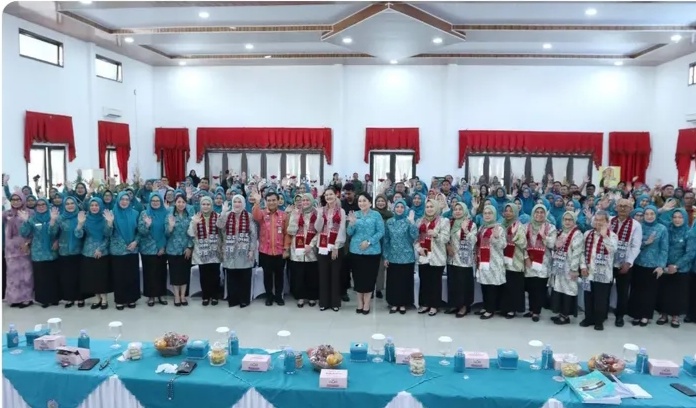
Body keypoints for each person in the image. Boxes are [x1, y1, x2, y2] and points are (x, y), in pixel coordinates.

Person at [627, 205, 668, 327]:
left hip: (653, 266)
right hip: (638, 263)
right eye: (647, 214)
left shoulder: (662, 229)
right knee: (637, 290)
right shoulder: (639, 227)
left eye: (652, 214)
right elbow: (633, 245)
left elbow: (664, 249)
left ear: (656, 215)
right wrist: (646, 242)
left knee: (649, 292)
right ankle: (635, 314)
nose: (649, 216)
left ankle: (645, 316)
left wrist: (661, 266)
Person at [346, 192, 384, 315]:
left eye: (364, 201)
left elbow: (381, 231)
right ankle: (359, 303)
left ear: (370, 202)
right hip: (356, 251)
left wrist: (369, 242)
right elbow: (349, 233)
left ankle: (367, 303)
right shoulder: (355, 214)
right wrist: (351, 224)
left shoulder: (376, 215)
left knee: (369, 278)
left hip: (372, 252)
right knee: (358, 278)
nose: (362, 203)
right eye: (360, 201)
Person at [580, 210, 618, 331]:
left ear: (607, 222)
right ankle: (588, 318)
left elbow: (613, 250)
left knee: (600, 298)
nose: (598, 222)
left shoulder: (612, 236)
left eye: (601, 220)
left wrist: (604, 236)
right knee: (588, 296)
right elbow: (582, 252)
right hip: (588, 271)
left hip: (603, 273)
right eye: (596, 220)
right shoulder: (587, 234)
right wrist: (583, 266)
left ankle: (599, 321)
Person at [657, 208, 694, 328]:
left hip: (681, 269)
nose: (677, 220)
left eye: (680, 217)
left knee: (677, 294)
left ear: (685, 218)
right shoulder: (668, 229)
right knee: (664, 292)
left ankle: (675, 316)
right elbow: (655, 219)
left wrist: (677, 266)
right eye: (675, 217)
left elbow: (690, 253)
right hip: (665, 266)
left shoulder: (689, 233)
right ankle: (663, 315)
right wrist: (662, 210)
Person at [218, 195, 258, 308]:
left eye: (239, 202)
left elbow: (253, 235)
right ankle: (233, 299)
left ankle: (244, 299)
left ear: (243, 204)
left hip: (244, 250)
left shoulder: (249, 216)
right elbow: (219, 226)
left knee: (244, 276)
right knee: (231, 276)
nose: (237, 204)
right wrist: (223, 212)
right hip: (230, 250)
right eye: (235, 202)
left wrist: (251, 250)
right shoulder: (226, 215)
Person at [21, 198, 60, 308]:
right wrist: (25, 221)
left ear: (47, 205)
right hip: (38, 253)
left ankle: (54, 298)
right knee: (41, 278)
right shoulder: (32, 219)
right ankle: (44, 299)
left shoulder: (53, 217)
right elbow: (24, 233)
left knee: (52, 276)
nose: (41, 206)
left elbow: (54, 233)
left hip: (51, 252)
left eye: (43, 204)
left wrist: (52, 221)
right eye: (38, 205)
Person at [609, 198, 643, 327]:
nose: (623, 208)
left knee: (622, 292)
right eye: (620, 206)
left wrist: (628, 262)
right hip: (607, 263)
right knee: (604, 290)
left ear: (631, 209)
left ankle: (620, 316)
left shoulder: (636, 225)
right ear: (616, 207)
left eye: (626, 206)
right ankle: (602, 313)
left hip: (624, 264)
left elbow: (636, 246)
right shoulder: (609, 221)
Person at [414, 198, 450, 316]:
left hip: (437, 257)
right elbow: (415, 239)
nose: (429, 209)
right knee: (424, 281)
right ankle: (425, 304)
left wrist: (436, 234)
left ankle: (434, 305)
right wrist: (419, 248)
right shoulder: (420, 221)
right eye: (427, 207)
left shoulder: (443, 221)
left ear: (436, 208)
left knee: (435, 282)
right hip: (423, 256)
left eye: (431, 207)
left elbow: (446, 238)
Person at [252, 191, 288, 306]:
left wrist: (286, 248)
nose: (271, 202)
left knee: (279, 276)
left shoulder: (283, 215)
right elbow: (255, 215)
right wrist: (257, 202)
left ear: (278, 201)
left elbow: (286, 233)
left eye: (273, 200)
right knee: (267, 276)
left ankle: (278, 296)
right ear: (266, 202)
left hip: (279, 251)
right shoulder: (262, 214)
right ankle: (269, 296)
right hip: (265, 251)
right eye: (269, 200)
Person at [383, 199, 419, 314]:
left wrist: (412, 223)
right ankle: (394, 303)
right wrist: (386, 256)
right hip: (393, 256)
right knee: (393, 281)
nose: (399, 209)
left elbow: (415, 236)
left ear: (405, 209)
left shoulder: (408, 221)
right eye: (397, 207)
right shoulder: (389, 222)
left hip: (407, 256)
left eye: (402, 207)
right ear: (394, 208)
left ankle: (403, 304)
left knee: (405, 281)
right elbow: (386, 240)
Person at [315, 187, 347, 311]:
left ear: (336, 195)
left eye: (331, 194)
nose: (328, 197)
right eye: (326, 195)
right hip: (322, 246)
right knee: (323, 274)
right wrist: (319, 216)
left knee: (335, 275)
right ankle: (324, 302)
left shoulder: (341, 211)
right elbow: (317, 228)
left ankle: (335, 303)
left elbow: (342, 229)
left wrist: (336, 246)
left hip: (336, 247)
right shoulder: (321, 210)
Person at [549, 211, 584, 325]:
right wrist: (556, 246)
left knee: (568, 290)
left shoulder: (577, 234)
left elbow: (577, 253)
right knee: (559, 289)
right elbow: (556, 248)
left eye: (570, 220)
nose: (567, 222)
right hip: (559, 266)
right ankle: (560, 313)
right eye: (565, 219)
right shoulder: (561, 232)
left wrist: (574, 269)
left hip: (569, 267)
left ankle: (565, 316)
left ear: (574, 221)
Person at [524, 204, 557, 322]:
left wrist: (544, 237)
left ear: (545, 214)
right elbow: (522, 244)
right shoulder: (526, 226)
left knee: (540, 287)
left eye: (542, 212)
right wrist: (526, 258)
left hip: (543, 262)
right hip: (529, 261)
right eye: (537, 212)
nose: (539, 214)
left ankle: (536, 311)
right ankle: (531, 309)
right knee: (531, 287)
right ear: (533, 213)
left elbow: (553, 244)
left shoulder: (551, 227)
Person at [77, 197, 112, 310]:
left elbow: (108, 235)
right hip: (88, 252)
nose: (94, 207)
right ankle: (97, 298)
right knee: (92, 277)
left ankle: (104, 298)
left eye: (96, 205)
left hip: (102, 252)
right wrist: (80, 224)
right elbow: (78, 235)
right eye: (92, 205)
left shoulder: (105, 218)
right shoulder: (85, 218)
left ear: (100, 206)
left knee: (102, 276)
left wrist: (109, 223)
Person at [287, 193, 320, 308]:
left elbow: (320, 231)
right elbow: (290, 231)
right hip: (297, 248)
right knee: (298, 274)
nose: (305, 202)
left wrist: (311, 245)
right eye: (303, 200)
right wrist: (296, 218)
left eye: (307, 200)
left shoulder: (317, 213)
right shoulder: (295, 213)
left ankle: (312, 297)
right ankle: (300, 297)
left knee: (312, 274)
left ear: (312, 201)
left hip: (312, 249)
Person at [109, 192, 141, 310]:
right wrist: (109, 223)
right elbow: (107, 233)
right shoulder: (112, 213)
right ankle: (120, 300)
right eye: (122, 199)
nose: (124, 201)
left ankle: (132, 298)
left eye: (127, 199)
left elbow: (139, 231)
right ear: (118, 200)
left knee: (132, 275)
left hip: (132, 248)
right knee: (119, 276)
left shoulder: (135, 213)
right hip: (118, 250)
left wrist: (135, 242)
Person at [188, 196, 222, 306]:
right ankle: (206, 296)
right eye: (203, 204)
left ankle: (215, 296)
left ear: (211, 205)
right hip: (201, 250)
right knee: (204, 274)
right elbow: (191, 234)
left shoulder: (218, 216)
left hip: (215, 250)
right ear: (200, 205)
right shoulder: (195, 217)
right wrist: (194, 224)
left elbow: (222, 231)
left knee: (215, 274)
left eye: (208, 204)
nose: (205, 206)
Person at [445, 202, 478, 317]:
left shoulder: (471, 224)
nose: (457, 211)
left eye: (460, 209)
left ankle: (464, 306)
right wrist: (447, 246)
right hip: (452, 258)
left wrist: (466, 230)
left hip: (464, 260)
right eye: (455, 209)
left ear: (464, 211)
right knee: (453, 283)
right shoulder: (450, 223)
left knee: (463, 284)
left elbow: (474, 240)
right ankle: (455, 304)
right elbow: (446, 237)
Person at [476, 205, 507, 320]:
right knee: (484, 285)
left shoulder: (499, 228)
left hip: (494, 262)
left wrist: (496, 237)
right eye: (485, 213)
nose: (487, 215)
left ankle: (490, 310)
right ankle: (486, 306)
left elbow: (503, 245)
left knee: (491, 287)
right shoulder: (482, 228)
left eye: (490, 213)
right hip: (483, 261)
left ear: (494, 215)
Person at [138, 193, 169, 307]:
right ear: (150, 202)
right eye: (153, 201)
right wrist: (147, 225)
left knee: (161, 272)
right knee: (149, 273)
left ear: (161, 202)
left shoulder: (166, 213)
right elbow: (141, 231)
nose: (155, 203)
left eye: (157, 201)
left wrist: (162, 246)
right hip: (148, 249)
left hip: (162, 248)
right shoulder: (144, 213)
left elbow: (168, 232)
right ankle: (151, 296)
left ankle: (161, 294)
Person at [501, 203, 528, 319]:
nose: (508, 213)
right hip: (503, 260)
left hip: (516, 261)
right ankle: (505, 307)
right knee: (505, 286)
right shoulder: (501, 225)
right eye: (506, 210)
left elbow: (523, 243)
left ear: (515, 212)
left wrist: (514, 235)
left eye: (511, 211)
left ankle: (512, 309)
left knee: (514, 286)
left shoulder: (519, 226)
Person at [58, 196, 85, 308]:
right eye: (67, 203)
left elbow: (80, 235)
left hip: (78, 250)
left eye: (72, 203)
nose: (70, 205)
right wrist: (53, 221)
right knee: (67, 276)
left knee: (79, 275)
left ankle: (80, 297)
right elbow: (53, 233)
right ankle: (69, 298)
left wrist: (79, 224)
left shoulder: (81, 217)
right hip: (64, 251)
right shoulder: (60, 218)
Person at [166, 195, 193, 306]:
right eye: (178, 202)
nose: (181, 204)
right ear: (175, 203)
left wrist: (190, 247)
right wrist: (170, 227)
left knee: (184, 273)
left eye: (183, 202)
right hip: (173, 249)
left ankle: (183, 296)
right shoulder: (169, 215)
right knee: (175, 274)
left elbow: (192, 233)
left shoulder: (189, 215)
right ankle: (176, 296)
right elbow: (166, 234)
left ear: (186, 203)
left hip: (186, 249)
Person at [373, 194, 393, 299]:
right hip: (373, 243)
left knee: (381, 268)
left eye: (382, 201)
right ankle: (370, 288)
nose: (380, 203)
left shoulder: (390, 215)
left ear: (386, 203)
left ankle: (378, 289)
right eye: (378, 201)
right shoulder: (372, 213)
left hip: (384, 243)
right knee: (371, 268)